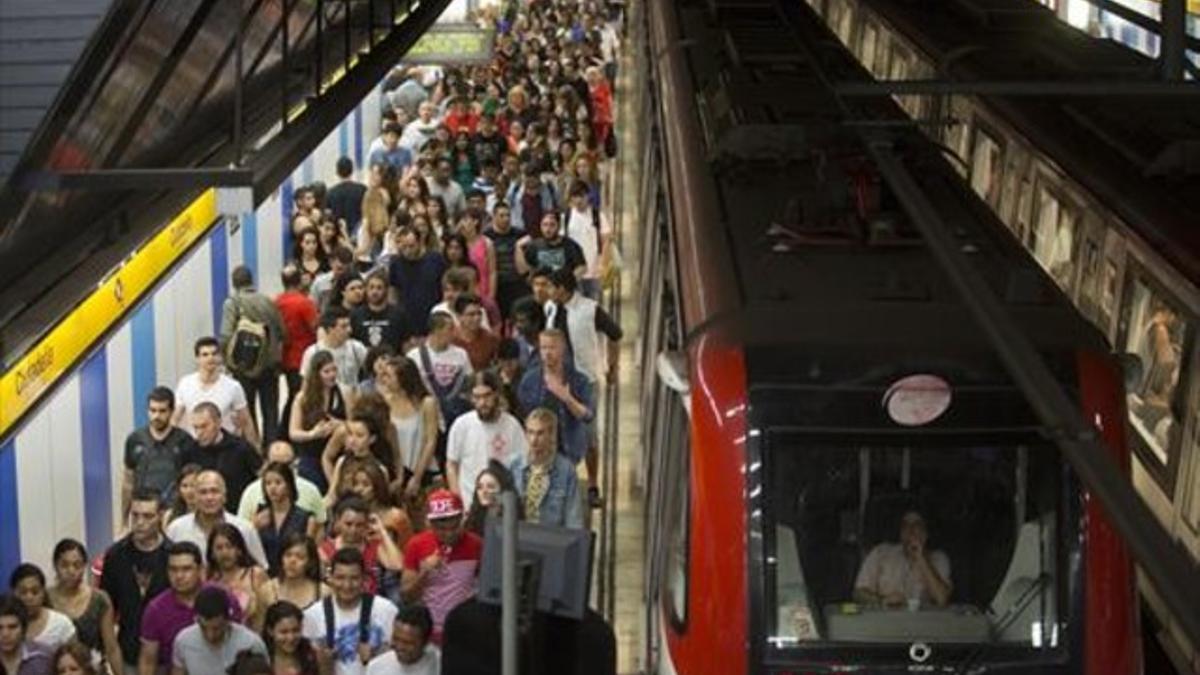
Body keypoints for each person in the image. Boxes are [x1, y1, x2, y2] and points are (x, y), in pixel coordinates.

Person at [139, 542, 244, 675]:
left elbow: (240, 642)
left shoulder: (224, 599)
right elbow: (148, 660)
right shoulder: (156, 609)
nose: (179, 576)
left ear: (201, 570)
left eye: (186, 569)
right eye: (173, 569)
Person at [517, 330, 595, 501]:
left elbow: (588, 415)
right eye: (543, 347)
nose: (547, 352)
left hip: (568, 449)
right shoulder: (529, 381)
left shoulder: (579, 380)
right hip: (538, 451)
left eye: (552, 347)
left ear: (563, 349)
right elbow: (523, 414)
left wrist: (567, 398)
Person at [102, 489, 171, 672]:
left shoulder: (172, 555)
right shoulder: (115, 556)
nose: (140, 523)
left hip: (165, 656)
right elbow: (107, 608)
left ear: (160, 516)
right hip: (128, 652)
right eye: (135, 515)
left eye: (147, 516)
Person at [302, 549, 398, 675]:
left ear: (364, 579)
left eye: (354, 578)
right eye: (340, 578)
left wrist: (378, 657)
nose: (347, 585)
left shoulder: (386, 610)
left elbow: (402, 658)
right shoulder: (312, 615)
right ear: (330, 577)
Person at [220, 265, 287, 445]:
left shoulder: (232, 303)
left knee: (247, 411)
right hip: (269, 366)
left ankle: (253, 449)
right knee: (270, 411)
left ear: (233, 283)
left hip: (243, 367)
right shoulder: (267, 301)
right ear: (252, 280)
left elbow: (226, 335)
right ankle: (272, 450)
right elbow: (282, 332)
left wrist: (228, 363)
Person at [445, 372, 527, 510]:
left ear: (496, 394)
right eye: (477, 397)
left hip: (502, 506)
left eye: (487, 396)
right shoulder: (461, 425)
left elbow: (521, 467)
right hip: (469, 505)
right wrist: (458, 501)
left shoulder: (512, 425)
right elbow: (451, 465)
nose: (482, 402)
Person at [165, 471, 269, 569]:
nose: (209, 498)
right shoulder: (176, 529)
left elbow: (261, 568)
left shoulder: (244, 529)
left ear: (224, 496)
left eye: (214, 491)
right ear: (195, 497)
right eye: (203, 492)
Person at [46, 539, 122, 673]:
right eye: (64, 565)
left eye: (77, 565)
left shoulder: (99, 599)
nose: (71, 571)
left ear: (84, 566)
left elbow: (111, 648)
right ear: (55, 566)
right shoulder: (45, 599)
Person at [853, 510, 953, 609]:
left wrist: (921, 559)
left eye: (916, 525)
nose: (911, 530)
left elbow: (942, 599)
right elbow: (858, 593)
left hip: (923, 622)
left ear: (925, 533)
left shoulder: (939, 558)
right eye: (905, 526)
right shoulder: (881, 553)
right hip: (884, 620)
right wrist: (882, 601)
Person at [122, 387, 197, 517]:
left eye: (162, 411)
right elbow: (128, 482)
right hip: (143, 512)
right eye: (153, 410)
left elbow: (192, 484)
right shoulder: (134, 440)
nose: (157, 416)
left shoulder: (185, 441)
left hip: (174, 513)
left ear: (172, 411)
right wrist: (124, 520)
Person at [173, 337, 259, 447]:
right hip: (194, 447)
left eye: (214, 354)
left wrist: (255, 449)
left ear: (220, 357)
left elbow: (246, 421)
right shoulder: (185, 384)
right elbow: (175, 419)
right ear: (197, 359)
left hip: (225, 447)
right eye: (205, 354)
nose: (210, 358)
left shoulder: (233, 386)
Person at [375, 357, 439, 499]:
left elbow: (430, 441)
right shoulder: (385, 401)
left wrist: (416, 477)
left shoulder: (426, 403)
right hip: (396, 470)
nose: (385, 379)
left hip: (422, 469)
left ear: (403, 379)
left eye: (389, 375)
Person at [182, 402, 263, 514]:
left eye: (204, 426)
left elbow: (261, 479)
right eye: (196, 428)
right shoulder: (190, 451)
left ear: (218, 423)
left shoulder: (241, 448)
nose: (199, 433)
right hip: (202, 515)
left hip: (238, 514)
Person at [510, 408, 584, 529]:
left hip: (550, 540)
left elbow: (573, 518)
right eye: (530, 432)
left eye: (540, 433)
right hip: (517, 537)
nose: (534, 440)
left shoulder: (565, 470)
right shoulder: (513, 465)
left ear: (551, 435)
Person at [288, 352, 350, 494]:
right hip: (311, 454)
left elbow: (354, 425)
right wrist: (312, 434)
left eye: (334, 370)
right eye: (326, 371)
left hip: (336, 453)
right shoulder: (302, 398)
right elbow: (293, 432)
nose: (332, 375)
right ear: (316, 374)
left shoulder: (344, 393)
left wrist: (340, 424)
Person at [169, 587, 267, 675]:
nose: (210, 635)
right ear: (196, 619)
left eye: (217, 628)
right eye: (203, 628)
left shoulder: (251, 643)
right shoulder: (183, 641)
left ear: (228, 620)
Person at [238, 442, 328, 533]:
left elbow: (320, 527)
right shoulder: (251, 492)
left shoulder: (310, 490)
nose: (280, 470)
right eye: (275, 465)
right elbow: (241, 531)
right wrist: (254, 525)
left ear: (295, 462)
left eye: (286, 464)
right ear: (266, 464)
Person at [406, 312, 474, 433]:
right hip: (425, 415)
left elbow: (469, 382)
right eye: (450, 328)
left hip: (454, 415)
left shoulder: (461, 354)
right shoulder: (414, 356)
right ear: (437, 330)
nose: (455, 332)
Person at [316, 498, 399, 597]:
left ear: (366, 525)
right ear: (338, 522)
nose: (353, 530)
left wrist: (382, 530)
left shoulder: (374, 547)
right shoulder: (324, 550)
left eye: (359, 525)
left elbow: (397, 566)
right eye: (348, 524)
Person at [252, 462, 320, 578]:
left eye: (278, 482)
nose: (272, 487)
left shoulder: (306, 518)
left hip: (295, 577)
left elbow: (309, 556)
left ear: (288, 485)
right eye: (268, 483)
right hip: (265, 577)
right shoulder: (259, 515)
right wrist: (254, 526)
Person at [206, 524, 271, 630]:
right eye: (219, 548)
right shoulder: (210, 583)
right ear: (212, 553)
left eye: (229, 546)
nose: (225, 552)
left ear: (239, 550)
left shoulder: (255, 575)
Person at [276, 265, 320, 417]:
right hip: (303, 357)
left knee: (293, 393)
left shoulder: (276, 302)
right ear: (299, 281)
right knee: (301, 397)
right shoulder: (304, 303)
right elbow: (316, 327)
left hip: (286, 358)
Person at [563, 180, 614, 300]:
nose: (578, 200)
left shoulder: (597, 215)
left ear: (588, 196)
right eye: (575, 196)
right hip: (574, 271)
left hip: (594, 270)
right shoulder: (567, 216)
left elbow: (606, 240)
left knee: (592, 305)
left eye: (581, 196)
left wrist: (603, 265)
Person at [300, 308, 369, 391]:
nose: (349, 330)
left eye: (349, 325)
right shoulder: (313, 352)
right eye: (344, 326)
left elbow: (371, 370)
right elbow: (306, 384)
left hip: (351, 398)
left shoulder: (356, 347)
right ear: (330, 329)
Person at [8, 566, 75, 651]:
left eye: (35, 592)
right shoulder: (4, 626)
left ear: (43, 593)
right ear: (13, 593)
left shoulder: (61, 624)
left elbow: (75, 659)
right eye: (23, 592)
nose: (29, 597)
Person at [258, 535, 328, 613]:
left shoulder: (323, 592)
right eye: (288, 555)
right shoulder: (267, 589)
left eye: (300, 557)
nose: (292, 561)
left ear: (310, 562)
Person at [364, 605, 439, 675]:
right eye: (396, 639)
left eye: (408, 643)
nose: (400, 646)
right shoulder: (376, 667)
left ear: (425, 642)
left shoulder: (440, 666)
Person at [351, 271, 412, 353]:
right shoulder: (356, 315)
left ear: (386, 290)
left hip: (392, 362)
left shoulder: (399, 315)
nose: (374, 292)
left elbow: (406, 344)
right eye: (371, 287)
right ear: (366, 289)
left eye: (379, 288)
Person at [262, 601, 324, 675]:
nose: (291, 638)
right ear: (270, 631)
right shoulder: (261, 661)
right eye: (284, 632)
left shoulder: (313, 656)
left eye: (295, 630)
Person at [520, 211, 586, 278]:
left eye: (552, 225)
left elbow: (582, 267)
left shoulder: (570, 245)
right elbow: (526, 269)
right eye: (545, 225)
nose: (548, 229)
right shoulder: (534, 246)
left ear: (559, 226)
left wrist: (570, 281)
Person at [461, 461, 519, 536]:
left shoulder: (512, 519)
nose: (484, 491)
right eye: (479, 487)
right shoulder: (473, 519)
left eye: (490, 487)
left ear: (502, 490)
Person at [0, 594, 52, 675]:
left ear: (23, 628)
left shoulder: (42, 657)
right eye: (0, 628)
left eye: (12, 627)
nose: (5, 634)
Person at [451, 294, 499, 371]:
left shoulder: (490, 339)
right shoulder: (450, 339)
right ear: (459, 316)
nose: (477, 318)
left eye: (479, 313)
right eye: (471, 314)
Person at [326, 158, 367, 236]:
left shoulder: (330, 193)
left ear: (337, 172)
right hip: (360, 233)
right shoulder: (362, 190)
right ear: (352, 170)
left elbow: (328, 217)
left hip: (338, 235)